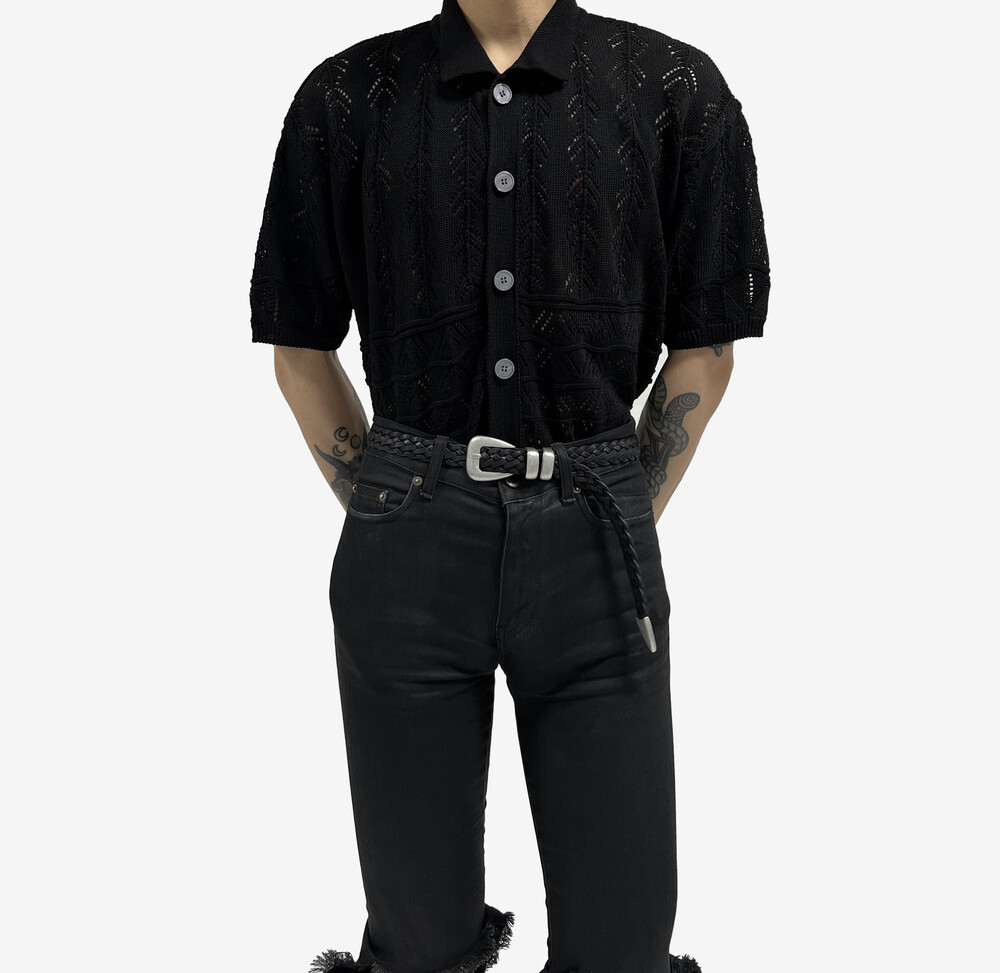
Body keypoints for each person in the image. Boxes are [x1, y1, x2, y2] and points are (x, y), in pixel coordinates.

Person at [248, 0, 770, 970]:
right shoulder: (346, 97)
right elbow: (298, 342)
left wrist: (619, 500)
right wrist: (397, 503)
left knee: (621, 939)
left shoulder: (674, 90)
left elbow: (707, 342)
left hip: (598, 539)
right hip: (407, 543)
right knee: (416, 940)